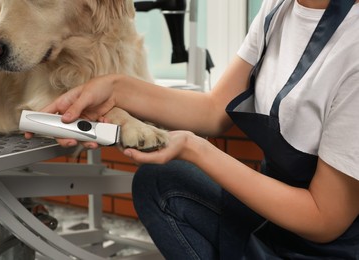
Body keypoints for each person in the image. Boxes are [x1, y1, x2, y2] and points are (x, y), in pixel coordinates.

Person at [26, 0, 359, 258]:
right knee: (160, 181)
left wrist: (196, 149)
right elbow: (215, 110)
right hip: (271, 219)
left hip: (327, 246)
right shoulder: (279, 8)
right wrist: (113, 87)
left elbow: (324, 218)